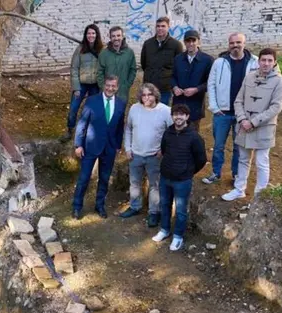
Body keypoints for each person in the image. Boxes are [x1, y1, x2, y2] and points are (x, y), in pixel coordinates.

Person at [221, 48, 282, 201]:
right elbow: (238, 100)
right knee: (243, 159)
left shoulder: (280, 81)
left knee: (261, 161)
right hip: (244, 126)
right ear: (259, 61)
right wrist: (243, 119)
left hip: (264, 127)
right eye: (263, 60)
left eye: (270, 60)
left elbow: (276, 107)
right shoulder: (250, 77)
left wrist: (254, 122)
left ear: (275, 62)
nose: (266, 63)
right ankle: (239, 189)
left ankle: (259, 196)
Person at [203, 32, 259, 185]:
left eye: (238, 42)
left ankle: (235, 174)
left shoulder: (254, 63)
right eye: (232, 43)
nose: (235, 46)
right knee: (218, 145)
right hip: (223, 112)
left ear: (244, 43)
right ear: (228, 45)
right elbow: (211, 84)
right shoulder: (220, 62)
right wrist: (214, 107)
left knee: (237, 146)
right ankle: (216, 172)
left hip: (243, 113)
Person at [152, 104, 207, 251]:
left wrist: (188, 171)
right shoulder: (168, 133)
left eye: (182, 114)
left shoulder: (194, 137)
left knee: (181, 210)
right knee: (164, 205)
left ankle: (178, 236)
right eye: (175, 114)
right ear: (172, 116)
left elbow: (201, 159)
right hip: (165, 177)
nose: (178, 117)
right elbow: (164, 150)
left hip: (183, 180)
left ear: (187, 117)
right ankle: (164, 230)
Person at [72, 75, 127, 220]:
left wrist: (117, 145)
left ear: (117, 87)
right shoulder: (92, 100)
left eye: (113, 86)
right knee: (84, 178)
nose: (110, 88)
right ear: (104, 85)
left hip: (109, 147)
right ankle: (77, 206)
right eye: (108, 85)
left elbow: (120, 126)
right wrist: (78, 144)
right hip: (90, 145)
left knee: (104, 178)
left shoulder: (121, 103)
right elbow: (82, 123)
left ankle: (100, 205)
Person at [120, 83, 172, 227]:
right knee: (135, 183)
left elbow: (171, 133)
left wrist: (164, 150)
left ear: (155, 95)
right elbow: (128, 129)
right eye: (143, 95)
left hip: (154, 156)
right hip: (135, 154)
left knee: (155, 185)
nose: (147, 97)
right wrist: (128, 149)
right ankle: (135, 206)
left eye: (149, 94)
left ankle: (154, 212)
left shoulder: (166, 111)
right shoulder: (134, 109)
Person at [65, 24, 104, 139]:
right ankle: (70, 129)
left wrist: (102, 86)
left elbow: (105, 68)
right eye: (88, 33)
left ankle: (90, 131)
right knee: (73, 108)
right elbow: (74, 68)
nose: (91, 35)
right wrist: (76, 87)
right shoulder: (80, 49)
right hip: (81, 84)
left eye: (93, 33)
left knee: (93, 109)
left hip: (95, 85)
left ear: (97, 35)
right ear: (85, 35)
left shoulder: (102, 50)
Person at [170, 29, 213, 130]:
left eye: (193, 41)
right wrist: (175, 87)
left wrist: (196, 89)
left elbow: (210, 82)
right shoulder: (178, 59)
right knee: (178, 130)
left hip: (195, 104)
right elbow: (172, 77)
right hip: (179, 102)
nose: (191, 44)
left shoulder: (207, 60)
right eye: (188, 41)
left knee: (192, 132)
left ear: (198, 42)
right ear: (184, 43)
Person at [140, 17, 184, 105]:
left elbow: (179, 67)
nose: (160, 28)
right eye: (158, 26)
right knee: (148, 111)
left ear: (168, 27)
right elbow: (144, 63)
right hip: (149, 87)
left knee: (162, 113)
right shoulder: (148, 43)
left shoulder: (176, 45)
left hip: (164, 88)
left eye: (163, 26)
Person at [97, 26, 137, 102]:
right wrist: (103, 87)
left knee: (120, 112)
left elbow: (133, 70)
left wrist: (127, 85)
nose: (116, 38)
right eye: (113, 36)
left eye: (118, 35)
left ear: (122, 36)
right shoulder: (104, 53)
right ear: (110, 37)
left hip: (123, 92)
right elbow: (99, 72)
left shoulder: (129, 53)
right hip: (107, 92)